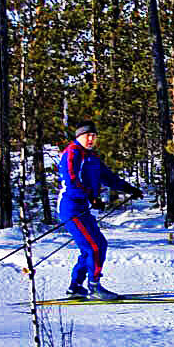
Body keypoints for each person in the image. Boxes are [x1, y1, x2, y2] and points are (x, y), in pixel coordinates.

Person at [58, 121, 143, 300]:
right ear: (78, 136)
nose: (90, 139)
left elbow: (108, 177)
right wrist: (91, 197)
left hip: (82, 207)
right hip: (71, 207)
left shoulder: (91, 157)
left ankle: (75, 287)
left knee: (90, 247)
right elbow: (71, 180)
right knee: (96, 246)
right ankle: (94, 287)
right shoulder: (72, 153)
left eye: (93, 136)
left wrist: (130, 189)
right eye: (87, 135)